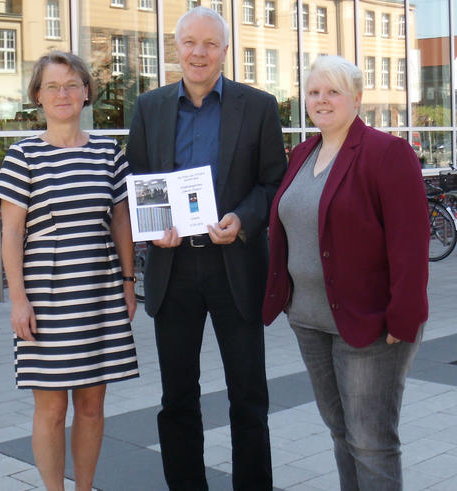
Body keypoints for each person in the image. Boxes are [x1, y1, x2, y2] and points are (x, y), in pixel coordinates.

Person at [126, 6, 286, 490]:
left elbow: (272, 183)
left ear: (224, 51)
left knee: (248, 395)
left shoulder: (257, 106)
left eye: (210, 44)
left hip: (234, 264)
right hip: (173, 269)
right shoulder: (149, 107)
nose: (199, 53)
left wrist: (243, 220)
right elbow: (139, 180)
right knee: (177, 398)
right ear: (176, 48)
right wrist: (153, 228)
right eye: (190, 43)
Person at [263, 55, 429, 491]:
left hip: (370, 322)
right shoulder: (302, 153)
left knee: (371, 441)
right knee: (341, 433)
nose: (322, 100)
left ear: (356, 98)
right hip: (309, 319)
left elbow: (410, 243)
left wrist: (404, 316)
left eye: (333, 91)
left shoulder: (387, 153)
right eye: (314, 92)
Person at [0, 51, 139, 491]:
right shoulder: (24, 155)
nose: (63, 94)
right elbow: (11, 233)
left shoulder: (108, 152)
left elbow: (121, 220)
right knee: (52, 410)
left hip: (98, 292)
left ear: (87, 93)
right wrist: (18, 299)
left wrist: (129, 283)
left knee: (92, 406)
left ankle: (85, 488)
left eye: (72, 84)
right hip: (46, 297)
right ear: (37, 95)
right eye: (53, 86)